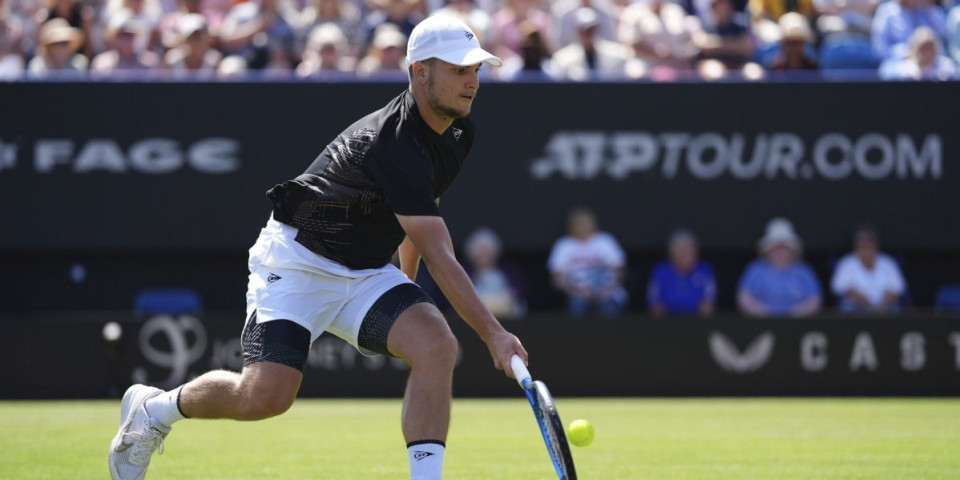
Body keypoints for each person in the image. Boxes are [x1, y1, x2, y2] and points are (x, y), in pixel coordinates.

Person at [108, 14, 527, 480]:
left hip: (367, 271)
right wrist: (494, 334)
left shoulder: (458, 131)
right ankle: (155, 409)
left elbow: (419, 220)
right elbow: (439, 251)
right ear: (419, 71)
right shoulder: (391, 144)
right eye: (459, 70)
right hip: (298, 263)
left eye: (476, 70)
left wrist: (401, 290)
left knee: (436, 345)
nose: (472, 82)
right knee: (264, 398)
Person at [547, 207, 628, 316]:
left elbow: (620, 271)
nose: (582, 228)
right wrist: (576, 292)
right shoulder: (564, 245)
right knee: (577, 306)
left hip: (608, 293)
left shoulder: (605, 241)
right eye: (578, 224)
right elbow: (557, 279)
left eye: (585, 224)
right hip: (578, 295)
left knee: (610, 306)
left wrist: (606, 290)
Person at [737, 218, 822, 317]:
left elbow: (814, 300)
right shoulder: (755, 269)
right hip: (760, 324)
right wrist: (766, 313)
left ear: (793, 249)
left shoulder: (804, 271)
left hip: (798, 325)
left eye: (784, 247)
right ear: (767, 250)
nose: (780, 252)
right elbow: (744, 298)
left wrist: (792, 314)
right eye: (775, 247)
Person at [831, 226, 907, 314]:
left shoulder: (888, 262)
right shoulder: (847, 263)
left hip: (885, 311)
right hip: (855, 312)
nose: (865, 244)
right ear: (856, 244)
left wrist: (881, 307)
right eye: (862, 241)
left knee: (895, 307)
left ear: (876, 244)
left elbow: (897, 288)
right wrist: (867, 304)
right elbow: (840, 287)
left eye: (869, 241)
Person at [648, 229, 716, 317]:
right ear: (674, 254)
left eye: (693, 253)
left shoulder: (704, 270)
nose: (692, 257)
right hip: (667, 324)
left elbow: (709, 303)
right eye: (686, 253)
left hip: (697, 323)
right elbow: (654, 304)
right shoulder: (661, 271)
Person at [462, 227, 527, 319]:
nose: (484, 256)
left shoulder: (509, 271)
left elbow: (519, 290)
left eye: (487, 252)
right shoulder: (464, 273)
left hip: (506, 316)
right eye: (480, 252)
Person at [549, 6, 629, 81]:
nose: (587, 34)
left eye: (591, 30)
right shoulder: (562, 59)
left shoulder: (617, 55)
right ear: (577, 31)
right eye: (583, 30)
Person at [880, 26, 960, 80]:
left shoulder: (946, 65)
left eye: (929, 48)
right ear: (916, 49)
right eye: (923, 49)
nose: (927, 53)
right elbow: (884, 73)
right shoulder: (906, 69)